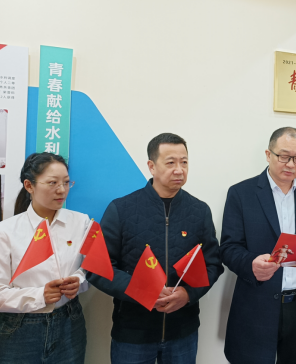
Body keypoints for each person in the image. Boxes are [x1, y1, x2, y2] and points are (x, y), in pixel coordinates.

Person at [88, 133, 224, 364]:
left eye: (184, 162)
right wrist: (143, 291)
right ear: (151, 166)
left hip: (183, 331)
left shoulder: (199, 211)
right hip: (133, 332)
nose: (179, 170)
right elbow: (98, 269)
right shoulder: (121, 209)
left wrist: (188, 295)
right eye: (170, 162)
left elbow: (212, 264)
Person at [220, 127, 296, 364]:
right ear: (268, 154)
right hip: (257, 303)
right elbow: (229, 247)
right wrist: (251, 264)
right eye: (284, 156)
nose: (291, 164)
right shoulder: (241, 193)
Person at [0, 152, 89, 364]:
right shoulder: (6, 231)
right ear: (29, 186)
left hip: (69, 322)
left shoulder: (81, 223)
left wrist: (79, 281)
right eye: (52, 183)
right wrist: (40, 295)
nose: (62, 190)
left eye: (66, 182)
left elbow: (90, 269)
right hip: (19, 328)